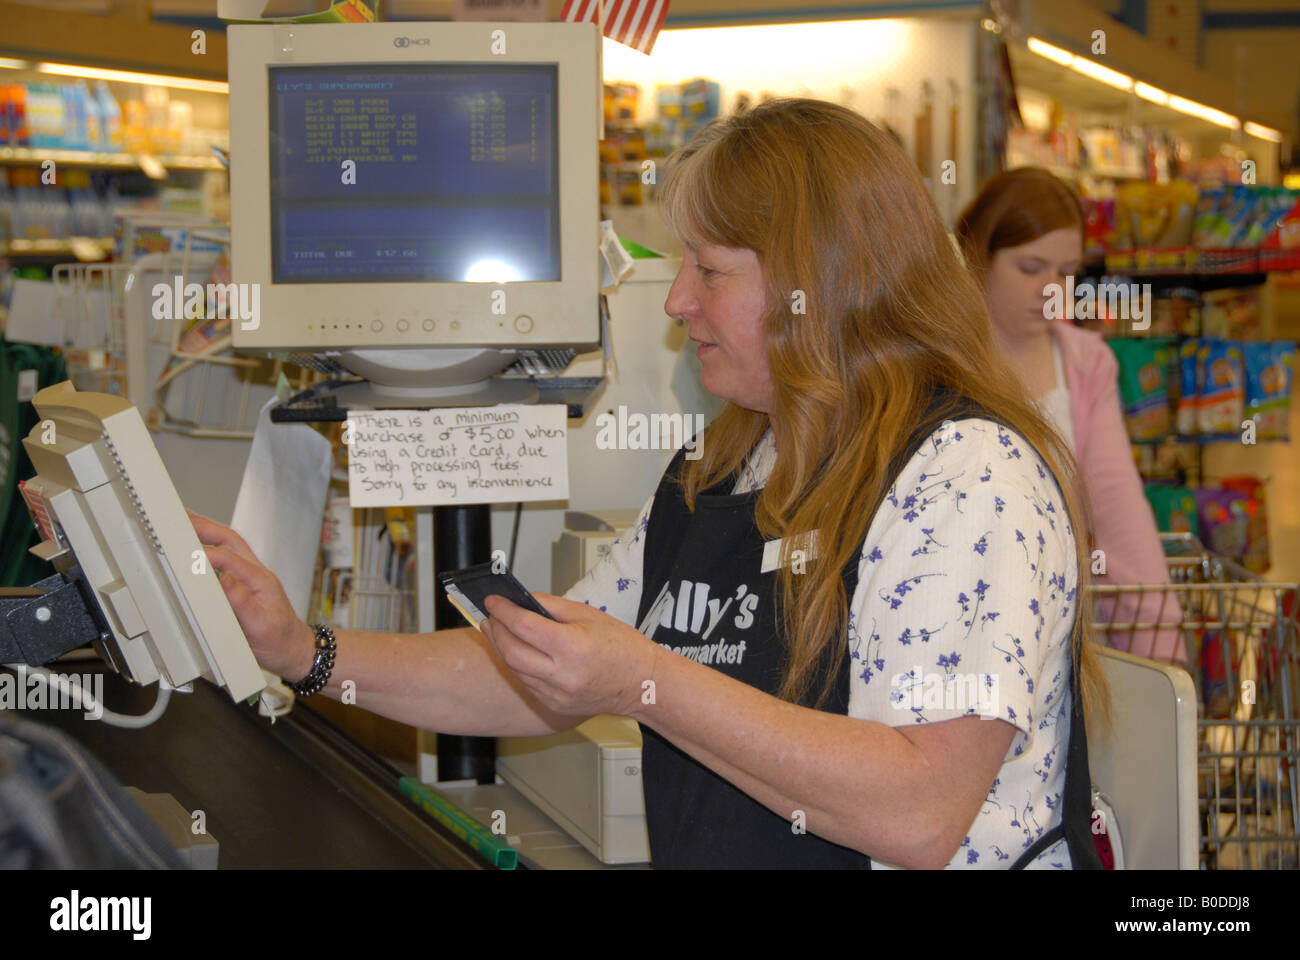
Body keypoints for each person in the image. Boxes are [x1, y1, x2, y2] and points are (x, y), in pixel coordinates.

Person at [191, 99, 1109, 870]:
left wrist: (643, 682)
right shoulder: (729, 464)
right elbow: (545, 669)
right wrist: (301, 650)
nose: (676, 302)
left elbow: (918, 809)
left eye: (708, 270)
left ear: (817, 286)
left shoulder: (966, 476)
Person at [955, 168, 1186, 666]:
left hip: (1057, 641)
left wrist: (1164, 657)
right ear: (979, 260)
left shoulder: (1085, 365)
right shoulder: (938, 362)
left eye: (1066, 272)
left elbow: (1119, 512)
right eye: (1030, 267)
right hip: (950, 629)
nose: (1051, 289)